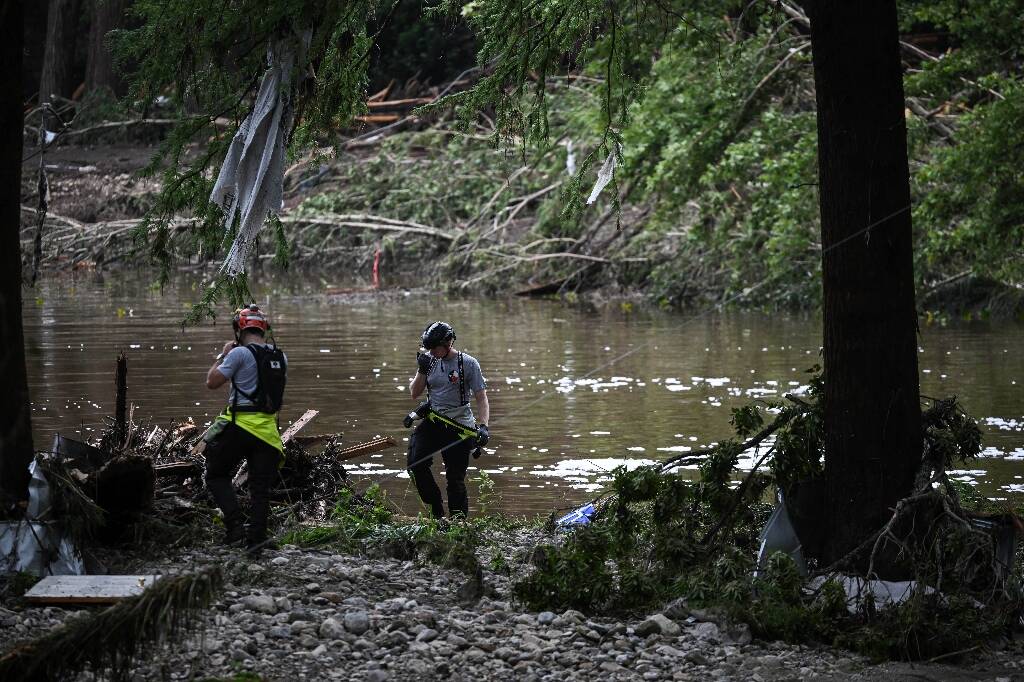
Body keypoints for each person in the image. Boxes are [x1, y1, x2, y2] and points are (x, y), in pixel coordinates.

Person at [204, 304, 287, 554]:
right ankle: (257, 540)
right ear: (264, 329)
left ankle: (235, 527)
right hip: (267, 431)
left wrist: (223, 354)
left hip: (240, 426)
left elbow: (212, 382)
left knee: (216, 475)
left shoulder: (238, 354)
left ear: (239, 330)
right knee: (260, 488)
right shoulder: (280, 356)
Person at [408, 321, 489, 519]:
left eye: (435, 347)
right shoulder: (428, 361)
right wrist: (421, 370)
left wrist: (484, 426)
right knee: (415, 463)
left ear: (448, 343)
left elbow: (481, 398)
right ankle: (436, 508)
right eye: (429, 348)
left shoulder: (468, 364)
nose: (431, 351)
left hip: (459, 427)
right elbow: (414, 393)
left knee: (455, 479)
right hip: (434, 422)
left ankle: (458, 522)